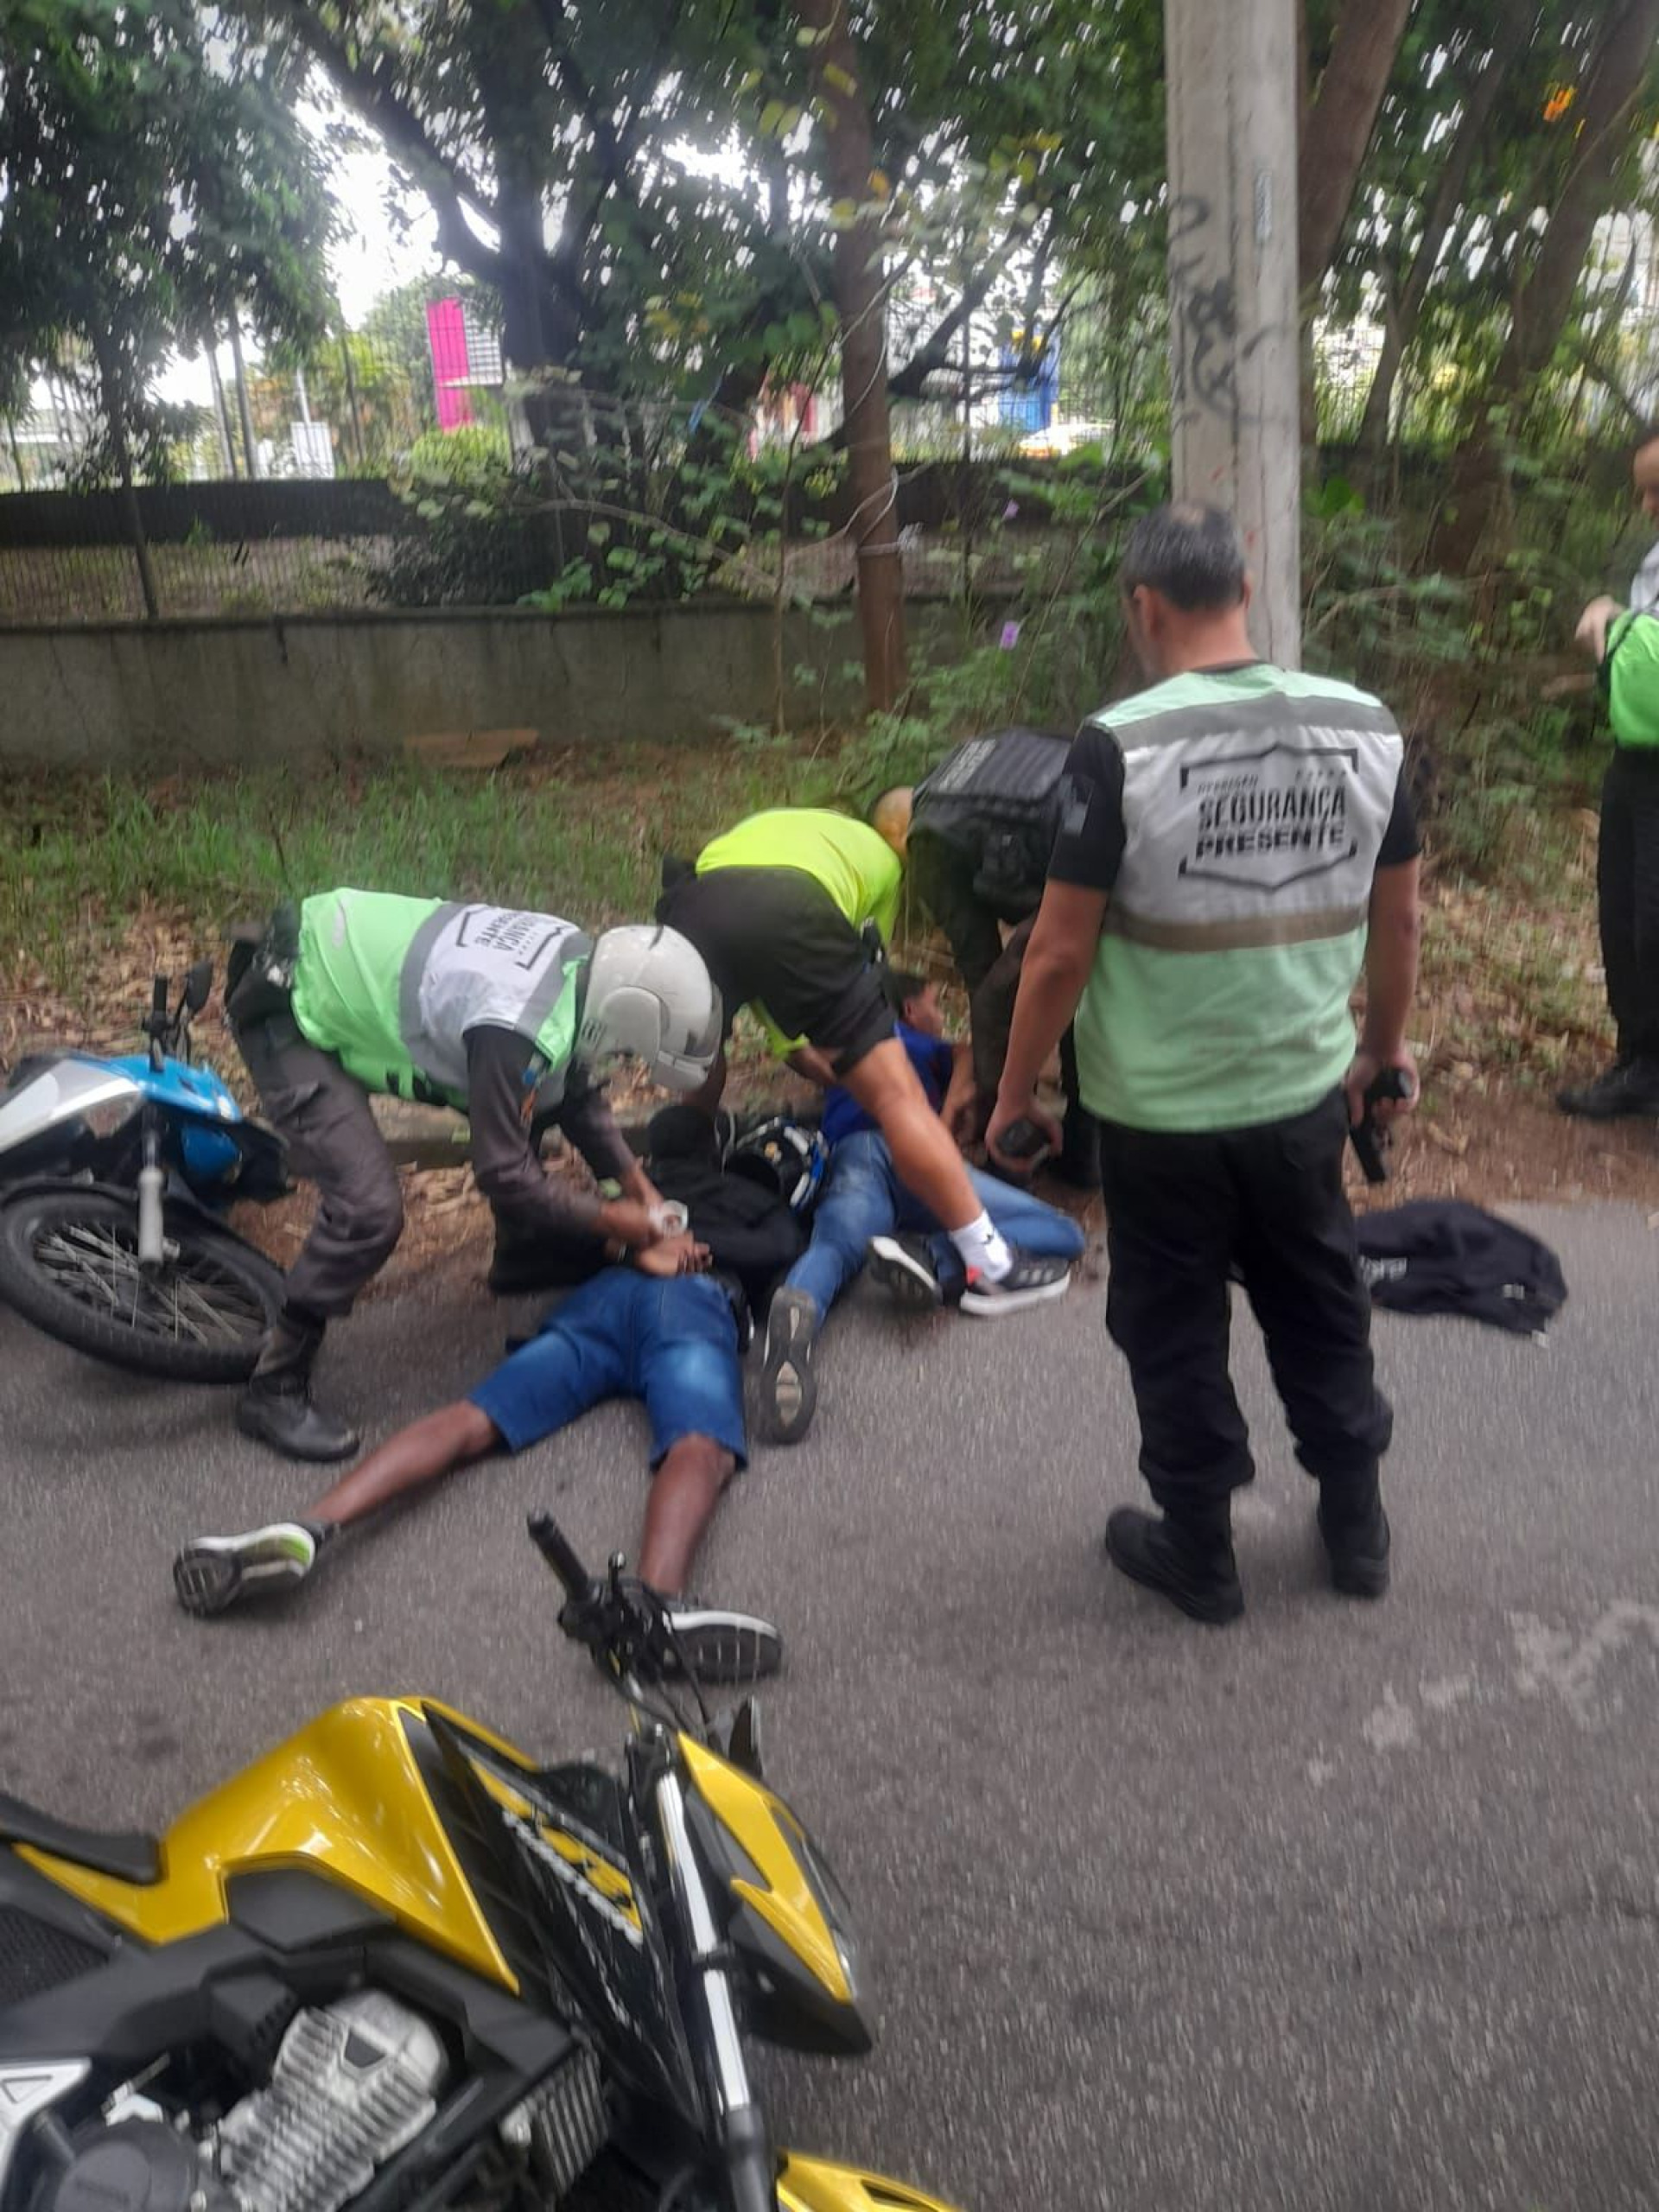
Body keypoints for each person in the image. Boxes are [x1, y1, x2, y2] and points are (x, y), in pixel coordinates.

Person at [988, 501, 1422, 1624]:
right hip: (1299, 1104)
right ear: (1247, 578)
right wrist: (1381, 1055)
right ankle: (1358, 1529)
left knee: (1172, 1324)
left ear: (1144, 605)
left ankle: (1201, 1552)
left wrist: (1013, 1092)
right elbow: (1402, 924)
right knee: (1321, 1301)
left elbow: (1058, 952)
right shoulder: (1366, 726)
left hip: (1159, 1119)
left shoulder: (1121, 746)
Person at [170, 1106, 804, 1684]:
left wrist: (625, 1244)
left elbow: (521, 1259)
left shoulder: (623, 1203)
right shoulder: (748, 1198)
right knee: (699, 1444)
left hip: (596, 1309)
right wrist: (685, 1252)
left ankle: (310, 1526)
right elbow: (783, 1247)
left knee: (471, 1419)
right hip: (687, 1305)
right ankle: (654, 1607)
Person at [226, 891, 721, 1462]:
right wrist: (618, 1222)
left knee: (528, 1102)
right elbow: (503, 1171)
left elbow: (574, 1095)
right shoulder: (514, 1023)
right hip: (288, 1001)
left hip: (328, 955)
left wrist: (644, 1194)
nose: (627, 1061)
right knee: (369, 1211)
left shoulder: (581, 965)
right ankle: (273, 1387)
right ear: (628, 1011)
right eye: (632, 1051)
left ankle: (522, 1255)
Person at [657, 807, 1071, 1317]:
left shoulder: (786, 826)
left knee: (702, 1060)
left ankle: (674, 1202)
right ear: (903, 842)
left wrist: (790, 1044)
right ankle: (988, 1263)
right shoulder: (885, 865)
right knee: (898, 1097)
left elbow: (762, 958)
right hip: (793, 904)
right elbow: (867, 981)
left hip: (695, 901)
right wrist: (821, 1051)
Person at [760, 970, 1085, 1441]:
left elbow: (802, 1052)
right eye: (936, 1005)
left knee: (835, 1246)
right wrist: (951, 1108)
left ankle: (798, 1315)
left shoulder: (851, 1047)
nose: (941, 1017)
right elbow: (967, 1052)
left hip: (855, 1156)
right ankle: (935, 1255)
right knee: (1064, 1233)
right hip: (926, 1163)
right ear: (910, 1011)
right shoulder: (913, 1041)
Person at [872, 729, 1103, 1188]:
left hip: (1086, 852)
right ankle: (1081, 1155)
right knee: (1071, 993)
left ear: (897, 835)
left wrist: (984, 1080)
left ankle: (1008, 1158)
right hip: (1122, 828)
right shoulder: (966, 768)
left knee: (996, 999)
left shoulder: (929, 836)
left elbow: (981, 968)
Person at [1559, 435, 1659, 1119]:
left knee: (1650, 916)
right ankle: (1640, 1061)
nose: (1648, 506)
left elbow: (1645, 665)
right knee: (1623, 909)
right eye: (1644, 490)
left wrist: (1608, 621)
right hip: (1637, 759)